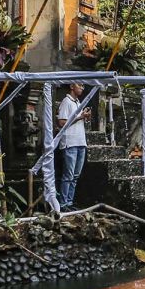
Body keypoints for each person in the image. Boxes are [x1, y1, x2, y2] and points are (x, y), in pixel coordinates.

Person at [56, 82, 92, 211]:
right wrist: (79, 116)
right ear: (72, 86)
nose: (82, 88)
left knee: (75, 176)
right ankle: (63, 203)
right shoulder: (66, 101)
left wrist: (85, 117)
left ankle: (69, 202)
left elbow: (77, 119)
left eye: (83, 86)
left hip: (80, 141)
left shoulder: (78, 103)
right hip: (70, 142)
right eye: (80, 85)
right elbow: (61, 122)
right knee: (68, 176)